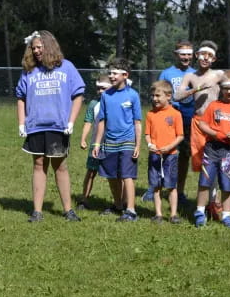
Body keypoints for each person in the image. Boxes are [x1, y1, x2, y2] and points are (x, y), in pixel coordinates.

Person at [15, 30, 85, 222]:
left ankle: (68, 210)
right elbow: (20, 97)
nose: (36, 51)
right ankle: (37, 211)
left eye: (40, 47)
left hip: (58, 126)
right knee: (38, 165)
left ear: (49, 46)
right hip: (36, 125)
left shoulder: (66, 67)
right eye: (33, 48)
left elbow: (78, 96)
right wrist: (22, 123)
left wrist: (71, 121)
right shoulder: (29, 71)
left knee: (60, 166)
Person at [173, 40, 230, 209]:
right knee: (204, 164)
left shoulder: (219, 74)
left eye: (210, 56)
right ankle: (208, 202)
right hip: (198, 124)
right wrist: (196, 90)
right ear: (197, 56)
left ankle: (214, 201)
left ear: (214, 59)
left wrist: (229, 111)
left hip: (218, 124)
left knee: (220, 161)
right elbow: (176, 96)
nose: (206, 58)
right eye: (203, 54)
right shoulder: (190, 76)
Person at [193, 70, 230, 228]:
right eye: (226, 87)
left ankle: (226, 216)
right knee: (205, 182)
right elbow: (202, 124)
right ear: (221, 88)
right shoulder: (213, 106)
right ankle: (199, 212)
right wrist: (215, 133)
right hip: (211, 149)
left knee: (227, 184)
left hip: (229, 152)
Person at [142, 40, 196, 205]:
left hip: (187, 118)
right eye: (182, 54)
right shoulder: (166, 73)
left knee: (183, 156)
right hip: (166, 118)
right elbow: (156, 95)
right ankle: (154, 187)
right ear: (176, 55)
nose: (186, 57)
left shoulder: (196, 74)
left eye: (189, 54)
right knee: (159, 152)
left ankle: (179, 191)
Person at [92, 58, 142, 222]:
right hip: (109, 143)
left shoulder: (133, 95)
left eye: (115, 73)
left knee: (127, 175)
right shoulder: (106, 95)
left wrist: (138, 145)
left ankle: (131, 210)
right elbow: (102, 121)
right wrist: (97, 143)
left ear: (125, 75)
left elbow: (137, 122)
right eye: (110, 73)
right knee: (111, 176)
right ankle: (118, 204)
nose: (111, 76)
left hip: (127, 141)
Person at [145, 81, 184, 224]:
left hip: (171, 155)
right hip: (155, 155)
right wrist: (150, 144)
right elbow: (147, 134)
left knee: (171, 185)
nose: (154, 99)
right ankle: (158, 214)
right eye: (152, 95)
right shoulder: (150, 114)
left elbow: (180, 136)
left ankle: (173, 214)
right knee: (156, 185)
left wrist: (169, 147)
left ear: (168, 96)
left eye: (157, 95)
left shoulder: (176, 114)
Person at [77, 74, 111, 210]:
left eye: (103, 88)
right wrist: (83, 139)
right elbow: (88, 122)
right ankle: (84, 199)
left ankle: (119, 202)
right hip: (95, 144)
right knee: (91, 172)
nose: (100, 91)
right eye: (98, 88)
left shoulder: (115, 102)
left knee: (114, 175)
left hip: (112, 144)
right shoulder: (93, 104)